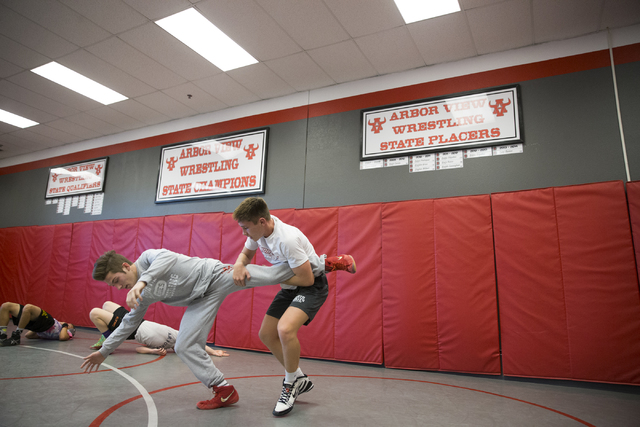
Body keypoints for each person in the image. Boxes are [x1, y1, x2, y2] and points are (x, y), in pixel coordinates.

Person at [81, 248, 319, 411]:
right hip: (199, 301)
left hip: (214, 276)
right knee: (183, 345)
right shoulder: (140, 296)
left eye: (116, 280)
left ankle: (324, 263)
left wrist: (142, 281)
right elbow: (128, 323)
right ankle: (224, 390)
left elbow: (167, 258)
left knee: (269, 275)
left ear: (125, 266)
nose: (119, 287)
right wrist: (104, 351)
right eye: (114, 285)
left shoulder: (147, 258)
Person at [232, 197, 355, 416]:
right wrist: (239, 265)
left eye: (245, 228)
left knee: (285, 329)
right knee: (266, 333)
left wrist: (269, 277)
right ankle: (299, 378)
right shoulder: (258, 233)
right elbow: (246, 254)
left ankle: (290, 385)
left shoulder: (286, 239)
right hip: (290, 283)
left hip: (310, 285)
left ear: (261, 221)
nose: (244, 233)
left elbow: (306, 279)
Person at [89, 300, 230, 357]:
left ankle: (109, 341)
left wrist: (152, 351)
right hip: (139, 320)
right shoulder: (177, 335)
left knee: (94, 313)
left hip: (132, 329)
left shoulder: (165, 347)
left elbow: (138, 349)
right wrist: (214, 352)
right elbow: (198, 343)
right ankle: (109, 335)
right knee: (107, 304)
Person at [0, 302, 75, 346]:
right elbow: (28, 335)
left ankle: (16, 336)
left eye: (69, 325)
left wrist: (65, 325)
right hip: (44, 322)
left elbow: (62, 337)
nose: (67, 323)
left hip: (47, 323)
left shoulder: (67, 332)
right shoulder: (57, 327)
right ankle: (2, 336)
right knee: (5, 306)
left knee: (28, 307)